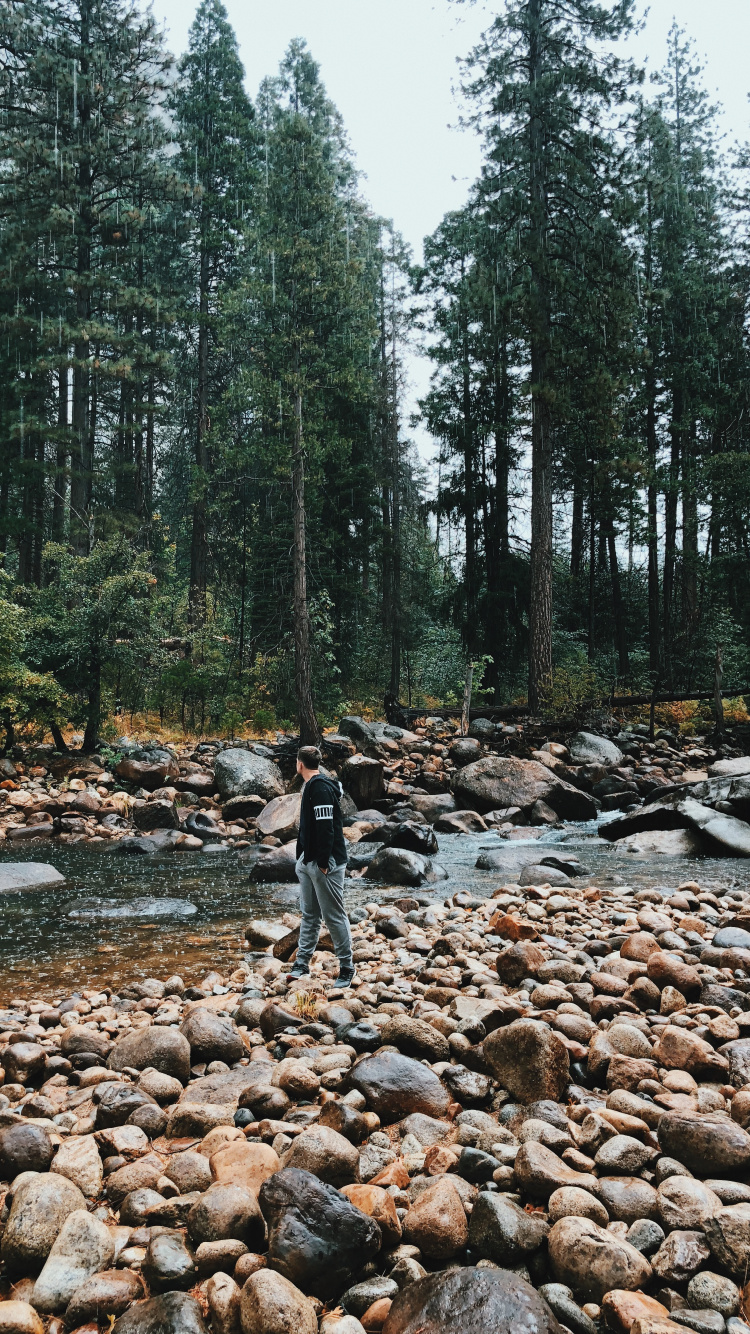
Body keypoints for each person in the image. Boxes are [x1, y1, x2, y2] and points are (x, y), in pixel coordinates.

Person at [291, 745, 356, 987]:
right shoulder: (310, 785)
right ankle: (301, 963)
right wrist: (302, 858)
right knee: (310, 914)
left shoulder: (319, 788)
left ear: (300, 764)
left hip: (325, 863)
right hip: (309, 861)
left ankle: (347, 967)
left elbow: (327, 827)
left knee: (334, 916)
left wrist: (323, 863)